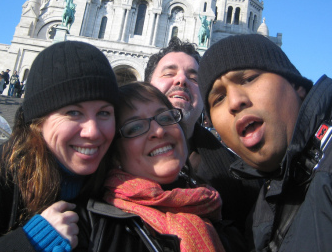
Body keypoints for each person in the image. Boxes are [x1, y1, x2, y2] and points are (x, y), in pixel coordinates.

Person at [198, 34, 332, 251]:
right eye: (218, 98)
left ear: (297, 86)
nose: (235, 101)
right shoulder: (258, 216)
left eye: (249, 78)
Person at [0, 41, 119, 251]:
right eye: (73, 113)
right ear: (38, 122)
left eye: (104, 113)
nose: (93, 131)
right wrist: (30, 243)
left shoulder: (114, 187)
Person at [78, 82, 245, 251]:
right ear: (114, 155)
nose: (158, 131)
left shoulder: (219, 207)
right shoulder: (89, 225)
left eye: (165, 117)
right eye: (135, 127)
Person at [145, 37, 261, 233]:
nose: (181, 80)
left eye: (193, 78)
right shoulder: (107, 161)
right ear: (145, 87)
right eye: (169, 73)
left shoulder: (245, 179)